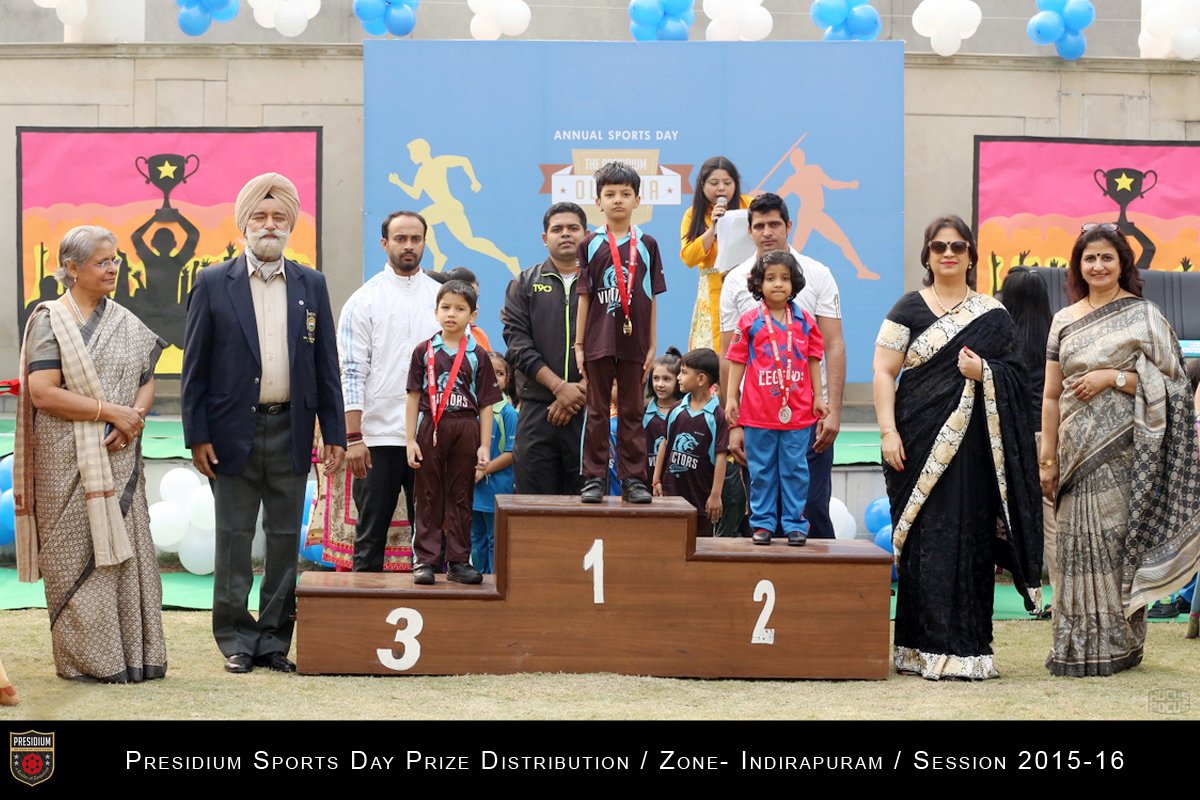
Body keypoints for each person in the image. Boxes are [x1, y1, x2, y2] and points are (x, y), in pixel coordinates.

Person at [182, 173, 346, 674]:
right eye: (260, 216)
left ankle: (274, 640)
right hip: (230, 434)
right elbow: (194, 367)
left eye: (279, 217)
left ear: (290, 225)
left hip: (292, 429)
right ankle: (235, 638)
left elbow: (326, 365)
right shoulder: (213, 282)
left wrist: (335, 433)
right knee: (233, 538)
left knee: (283, 538)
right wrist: (197, 436)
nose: (270, 225)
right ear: (244, 225)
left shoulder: (311, 284)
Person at [874, 215, 1042, 680]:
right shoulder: (908, 308)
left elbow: (1018, 378)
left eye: (958, 246)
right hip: (915, 441)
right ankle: (916, 648)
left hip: (974, 450)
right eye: (939, 246)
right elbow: (884, 371)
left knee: (968, 537)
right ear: (927, 255)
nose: (948, 254)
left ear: (970, 256)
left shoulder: (993, 314)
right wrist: (887, 431)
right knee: (924, 539)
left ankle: (967, 650)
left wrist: (984, 372)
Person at [1040, 223, 1200, 676]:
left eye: (1106, 257)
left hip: (1127, 458)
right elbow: (1050, 395)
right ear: (1078, 266)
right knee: (1074, 549)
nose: (1098, 266)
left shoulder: (1144, 315)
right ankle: (1074, 647)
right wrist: (1047, 459)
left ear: (1122, 264)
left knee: (1115, 549)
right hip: (1074, 454)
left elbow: (1176, 386)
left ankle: (1119, 647)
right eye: (1089, 258)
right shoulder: (1063, 320)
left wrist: (1113, 378)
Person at [15, 224, 167, 682]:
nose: (113, 268)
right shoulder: (51, 320)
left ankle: (133, 658)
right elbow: (43, 392)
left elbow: (146, 379)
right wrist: (110, 412)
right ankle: (89, 662)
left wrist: (132, 419)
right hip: (64, 462)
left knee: (126, 557)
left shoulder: (125, 321)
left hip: (118, 456)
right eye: (102, 262)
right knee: (73, 557)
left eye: (115, 260)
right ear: (72, 267)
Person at [718, 193, 845, 539]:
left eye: (774, 224)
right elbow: (729, 354)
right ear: (749, 231)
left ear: (789, 225)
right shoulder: (735, 280)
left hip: (806, 416)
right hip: (756, 415)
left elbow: (832, 345)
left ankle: (813, 567)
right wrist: (732, 422)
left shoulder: (817, 274)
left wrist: (831, 409)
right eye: (759, 225)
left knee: (812, 504)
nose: (767, 232)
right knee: (762, 497)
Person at [339, 211, 441, 573]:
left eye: (415, 239)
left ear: (424, 243)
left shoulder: (440, 299)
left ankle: (434, 606)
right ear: (384, 243)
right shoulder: (364, 300)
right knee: (370, 537)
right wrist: (354, 438)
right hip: (377, 437)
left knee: (430, 537)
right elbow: (351, 372)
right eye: (400, 239)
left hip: (429, 435)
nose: (408, 246)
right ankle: (364, 607)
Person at [575, 162, 667, 504]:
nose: (617, 200)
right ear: (598, 201)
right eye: (610, 194)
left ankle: (633, 480)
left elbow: (652, 297)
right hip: (597, 339)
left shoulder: (648, 244)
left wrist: (652, 343)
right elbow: (584, 296)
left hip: (635, 341)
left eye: (625, 194)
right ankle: (593, 478)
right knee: (597, 410)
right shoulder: (589, 244)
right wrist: (579, 344)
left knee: (632, 410)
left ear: (637, 200)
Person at [726, 251, 826, 546]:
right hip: (757, 413)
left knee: (795, 469)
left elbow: (813, 359)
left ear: (794, 283)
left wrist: (819, 397)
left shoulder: (806, 322)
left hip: (798, 412)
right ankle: (763, 523)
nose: (778, 284)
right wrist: (731, 397)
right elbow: (736, 360)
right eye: (770, 278)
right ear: (758, 283)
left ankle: (795, 524)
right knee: (761, 471)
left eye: (784, 278)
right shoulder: (749, 322)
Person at [406, 280, 502, 585]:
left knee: (462, 494)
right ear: (436, 311)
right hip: (431, 426)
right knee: (427, 493)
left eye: (460, 309)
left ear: (472, 316)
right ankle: (425, 560)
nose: (451, 314)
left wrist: (484, 445)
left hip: (466, 427)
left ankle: (459, 560)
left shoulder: (479, 355)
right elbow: (412, 396)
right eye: (445, 307)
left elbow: (486, 404)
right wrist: (409, 440)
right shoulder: (424, 351)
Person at [501, 202, 589, 496]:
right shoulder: (524, 283)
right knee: (532, 507)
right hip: (537, 409)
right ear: (544, 237)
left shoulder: (602, 284)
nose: (565, 234)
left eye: (573, 228)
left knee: (588, 507)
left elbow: (613, 345)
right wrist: (559, 387)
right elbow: (517, 344)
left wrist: (579, 391)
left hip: (587, 410)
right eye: (557, 229)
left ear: (586, 235)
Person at [997, 266, 1056, 619]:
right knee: (1053, 519)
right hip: (1050, 435)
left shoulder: (1003, 338)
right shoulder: (1057, 336)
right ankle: (1061, 598)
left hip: (1014, 437)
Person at [652, 348, 729, 537]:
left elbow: (721, 456)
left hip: (700, 500)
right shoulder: (676, 410)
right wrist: (656, 479)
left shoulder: (717, 416)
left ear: (701, 379)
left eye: (684, 373)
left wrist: (715, 495)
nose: (679, 377)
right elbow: (665, 443)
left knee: (699, 545)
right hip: (671, 495)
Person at [679, 156, 753, 350]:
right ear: (702, 185)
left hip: (748, 285)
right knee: (711, 352)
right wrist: (713, 229)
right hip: (712, 290)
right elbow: (689, 257)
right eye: (714, 183)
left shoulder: (751, 206)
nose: (721, 188)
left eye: (727, 183)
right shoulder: (693, 214)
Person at [472, 351, 517, 574]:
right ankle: (476, 580)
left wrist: (483, 471)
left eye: (499, 373)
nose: (493, 378)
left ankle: (493, 584)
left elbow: (512, 453)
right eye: (487, 372)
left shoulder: (508, 413)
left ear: (507, 379)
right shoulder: (470, 410)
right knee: (475, 539)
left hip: (497, 491)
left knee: (494, 540)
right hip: (472, 490)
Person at [644, 347, 683, 479]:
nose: (660, 384)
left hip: (676, 481)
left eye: (666, 379)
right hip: (646, 481)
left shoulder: (685, 412)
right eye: (656, 378)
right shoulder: (643, 412)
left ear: (678, 380)